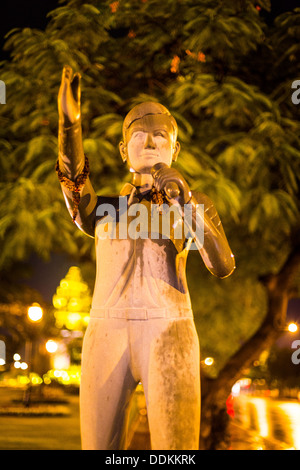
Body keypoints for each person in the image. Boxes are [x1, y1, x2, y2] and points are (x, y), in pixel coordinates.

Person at [56, 66, 235, 450]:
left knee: (176, 450)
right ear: (124, 151)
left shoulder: (194, 203)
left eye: (160, 136)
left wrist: (184, 200)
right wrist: (70, 126)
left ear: (174, 148)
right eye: (139, 135)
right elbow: (73, 183)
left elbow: (222, 265)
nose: (150, 141)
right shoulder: (103, 210)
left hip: (169, 330)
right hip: (107, 329)